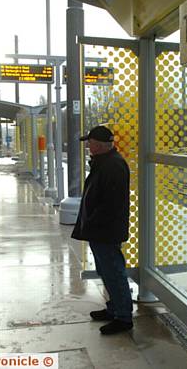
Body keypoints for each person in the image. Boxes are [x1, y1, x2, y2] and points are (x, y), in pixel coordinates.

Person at [71, 125, 133, 335]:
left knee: (114, 272)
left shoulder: (113, 166)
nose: (88, 145)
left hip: (105, 231)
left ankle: (124, 317)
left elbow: (110, 205)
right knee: (106, 271)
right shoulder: (104, 163)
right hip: (100, 230)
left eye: (90, 142)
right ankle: (114, 308)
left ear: (99, 145)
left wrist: (93, 222)